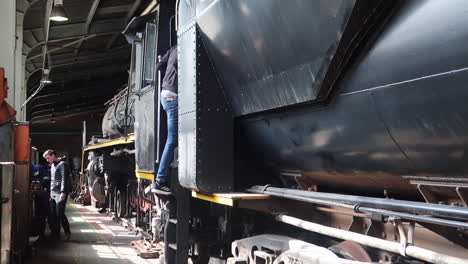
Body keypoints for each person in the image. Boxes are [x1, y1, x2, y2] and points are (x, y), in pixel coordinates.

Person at [154, 45, 178, 192]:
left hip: (166, 93)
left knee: (174, 138)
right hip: (173, 97)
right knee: (172, 139)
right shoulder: (184, 45)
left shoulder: (173, 48)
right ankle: (160, 179)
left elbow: (159, 65)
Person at [43, 149, 72, 241]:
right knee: (53, 215)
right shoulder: (53, 165)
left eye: (48, 158)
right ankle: (55, 233)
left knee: (60, 214)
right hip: (53, 192)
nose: (47, 160)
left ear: (53, 156)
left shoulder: (62, 164)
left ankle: (67, 232)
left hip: (60, 192)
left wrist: (63, 192)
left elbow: (64, 179)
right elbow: (53, 180)